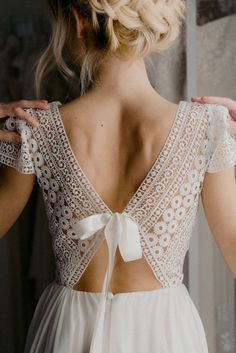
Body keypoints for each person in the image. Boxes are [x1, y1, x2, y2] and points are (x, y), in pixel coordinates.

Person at [0, 0, 236, 352]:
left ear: (78, 21)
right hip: (166, 333)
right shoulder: (207, 129)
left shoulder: (35, 128)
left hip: (68, 328)